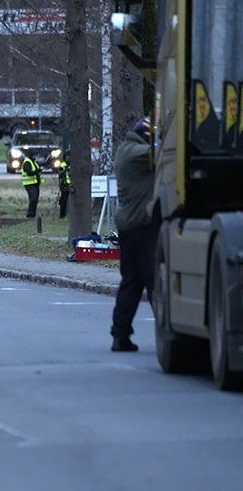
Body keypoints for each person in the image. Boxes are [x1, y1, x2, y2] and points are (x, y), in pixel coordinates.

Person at [110, 116, 155, 352]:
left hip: (129, 225)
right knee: (155, 280)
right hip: (141, 226)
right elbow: (164, 154)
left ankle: (120, 334)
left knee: (132, 282)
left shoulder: (126, 149)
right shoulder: (137, 153)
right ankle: (170, 335)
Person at [21, 154, 43, 218]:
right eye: (34, 156)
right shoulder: (27, 162)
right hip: (29, 184)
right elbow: (29, 173)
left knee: (35, 199)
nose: (35, 157)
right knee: (33, 199)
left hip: (35, 183)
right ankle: (30, 214)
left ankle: (33, 214)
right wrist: (38, 170)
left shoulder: (34, 162)